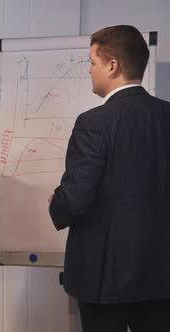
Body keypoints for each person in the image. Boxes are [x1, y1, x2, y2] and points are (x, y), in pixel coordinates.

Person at [49, 25, 170, 332]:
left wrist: (57, 202)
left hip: (105, 278)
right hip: (163, 275)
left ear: (112, 66)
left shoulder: (94, 123)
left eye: (92, 62)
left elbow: (75, 198)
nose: (89, 70)